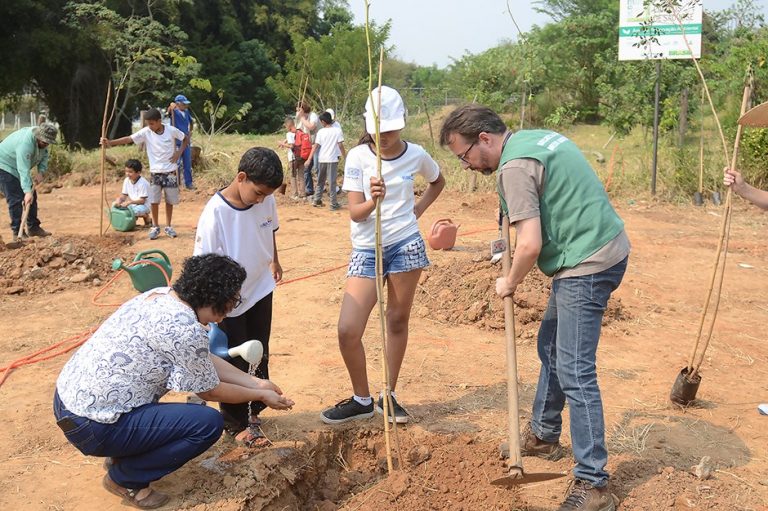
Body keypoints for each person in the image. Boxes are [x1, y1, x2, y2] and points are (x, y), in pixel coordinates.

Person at [439, 105, 629, 511]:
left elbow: (529, 245)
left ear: (484, 139)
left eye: (465, 156)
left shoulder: (514, 167)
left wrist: (509, 282)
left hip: (588, 261)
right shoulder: (529, 140)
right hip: (597, 247)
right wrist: (510, 206)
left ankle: (594, 482)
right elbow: (544, 191)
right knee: (551, 347)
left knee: (576, 369)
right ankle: (543, 435)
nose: (467, 165)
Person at [54, 253, 294, 510]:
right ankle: (126, 479)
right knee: (206, 424)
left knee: (159, 410)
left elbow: (202, 359)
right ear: (214, 299)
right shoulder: (184, 329)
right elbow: (211, 392)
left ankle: (123, 454)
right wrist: (259, 396)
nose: (226, 315)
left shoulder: (160, 296)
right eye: (231, 303)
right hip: (93, 426)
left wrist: (257, 383)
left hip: (69, 403)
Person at [321, 86, 445, 425]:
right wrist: (373, 200)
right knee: (348, 329)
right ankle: (362, 399)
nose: (385, 136)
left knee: (397, 320)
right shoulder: (359, 157)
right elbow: (355, 213)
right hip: (367, 248)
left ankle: (387, 395)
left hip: (406, 245)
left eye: (391, 128)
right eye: (379, 129)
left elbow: (438, 181)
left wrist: (415, 211)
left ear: (402, 122)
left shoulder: (416, 154)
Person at [193, 147, 284, 446]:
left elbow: (270, 230)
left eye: (265, 195)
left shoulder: (266, 199)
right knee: (233, 359)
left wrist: (274, 260)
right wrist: (218, 305)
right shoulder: (216, 214)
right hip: (228, 302)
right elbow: (205, 266)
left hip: (260, 288)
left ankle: (254, 409)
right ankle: (235, 423)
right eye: (257, 193)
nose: (260, 200)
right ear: (241, 177)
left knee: (259, 350)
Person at [101, 108, 189, 240]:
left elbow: (185, 138)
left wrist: (179, 152)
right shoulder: (146, 132)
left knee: (169, 201)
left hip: (170, 171)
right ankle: (155, 226)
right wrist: (110, 143)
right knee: (154, 201)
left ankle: (169, 226)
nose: (150, 126)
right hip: (155, 172)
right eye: (148, 124)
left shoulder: (171, 130)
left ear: (159, 121)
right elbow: (129, 139)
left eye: (152, 123)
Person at [0, 122, 57, 240]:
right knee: (16, 198)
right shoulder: (25, 144)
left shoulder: (43, 144)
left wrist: (41, 172)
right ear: (38, 137)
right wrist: (26, 192)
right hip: (4, 165)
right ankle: (17, 232)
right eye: (44, 142)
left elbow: (44, 156)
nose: (46, 144)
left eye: (48, 143)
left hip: (18, 166)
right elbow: (23, 169)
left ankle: (33, 228)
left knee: (33, 196)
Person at [305, 111, 346, 210]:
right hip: (332, 159)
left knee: (320, 180)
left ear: (323, 122)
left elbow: (315, 146)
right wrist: (346, 157)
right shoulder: (337, 131)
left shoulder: (321, 132)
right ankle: (333, 203)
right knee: (332, 182)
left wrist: (309, 159)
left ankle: (317, 199)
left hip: (322, 159)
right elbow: (340, 145)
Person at [112, 159, 151, 226]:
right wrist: (119, 200)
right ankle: (131, 222)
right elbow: (124, 195)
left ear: (138, 173)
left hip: (144, 205)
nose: (127, 174)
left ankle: (146, 216)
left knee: (132, 211)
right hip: (133, 205)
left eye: (130, 172)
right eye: (126, 171)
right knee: (114, 204)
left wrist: (129, 202)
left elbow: (142, 201)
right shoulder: (126, 180)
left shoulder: (143, 183)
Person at [168, 94, 195, 190]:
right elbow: (169, 110)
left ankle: (189, 183)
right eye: (183, 104)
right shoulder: (174, 112)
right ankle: (175, 183)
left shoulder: (186, 112)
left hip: (186, 141)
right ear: (178, 104)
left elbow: (191, 122)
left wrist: (190, 132)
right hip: (177, 142)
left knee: (187, 163)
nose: (185, 106)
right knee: (177, 163)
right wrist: (171, 106)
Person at [296, 101, 320, 197]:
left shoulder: (312, 115)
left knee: (317, 168)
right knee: (307, 168)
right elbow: (298, 131)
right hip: (309, 146)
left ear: (303, 109)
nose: (297, 111)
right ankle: (309, 189)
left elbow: (311, 126)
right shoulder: (301, 119)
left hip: (318, 145)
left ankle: (320, 190)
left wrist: (302, 118)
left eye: (298, 109)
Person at [277, 116, 305, 199]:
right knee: (301, 176)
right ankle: (303, 194)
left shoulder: (289, 134)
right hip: (301, 157)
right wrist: (284, 141)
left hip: (293, 158)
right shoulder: (299, 131)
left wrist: (282, 144)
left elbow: (291, 146)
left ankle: (295, 194)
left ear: (288, 125)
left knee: (293, 176)